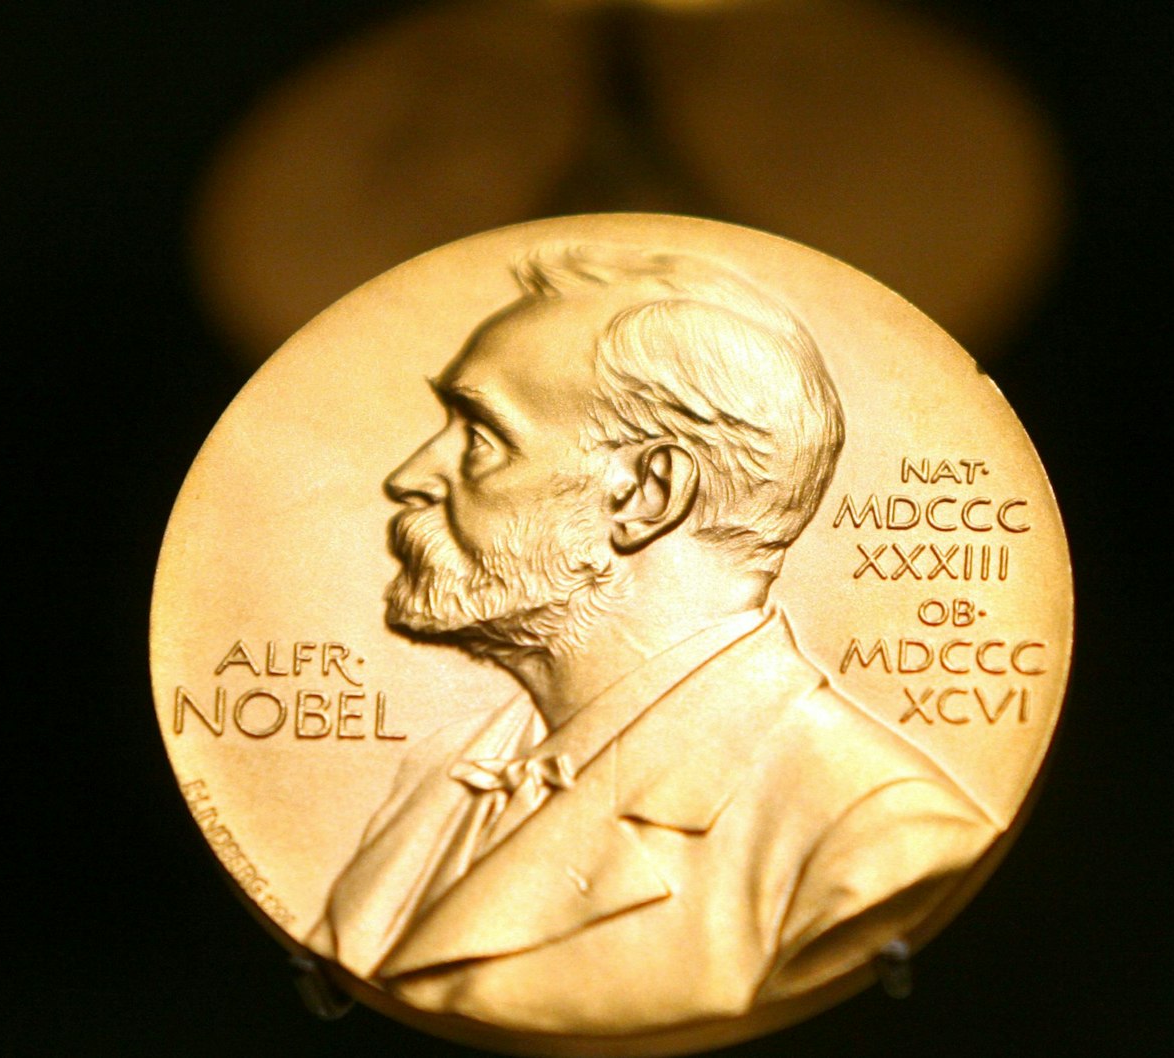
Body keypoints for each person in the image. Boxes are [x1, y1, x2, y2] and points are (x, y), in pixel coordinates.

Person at [309, 244, 995, 1035]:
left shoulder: (875, 844)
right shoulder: (440, 774)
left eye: (481, 435)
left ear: (647, 492)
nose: (410, 475)